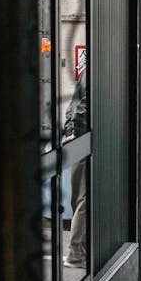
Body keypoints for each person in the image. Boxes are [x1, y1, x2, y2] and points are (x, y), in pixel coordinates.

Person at [63, 73, 87, 269]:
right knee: (84, 200)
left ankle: (80, 252)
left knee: (79, 198)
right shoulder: (98, 71)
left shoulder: (87, 72)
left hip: (76, 138)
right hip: (84, 138)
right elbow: (80, 109)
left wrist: (69, 131)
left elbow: (73, 106)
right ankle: (76, 254)